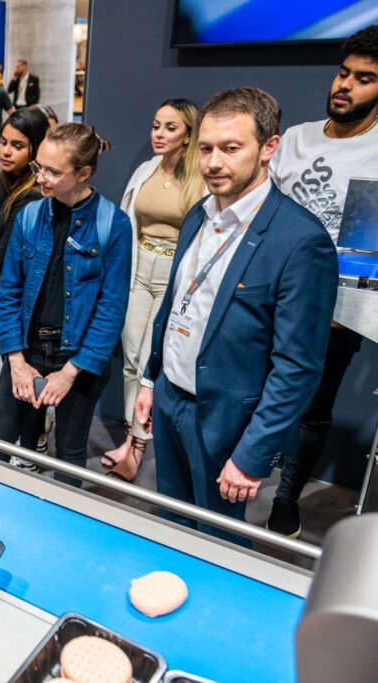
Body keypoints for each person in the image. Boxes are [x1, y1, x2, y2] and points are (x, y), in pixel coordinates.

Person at [134, 87, 338, 542]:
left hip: (228, 422)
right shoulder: (197, 215)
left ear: (269, 147)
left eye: (230, 148)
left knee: (220, 546)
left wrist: (254, 453)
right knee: (174, 530)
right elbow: (175, 303)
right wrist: (152, 379)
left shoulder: (300, 241)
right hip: (171, 403)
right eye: (205, 148)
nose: (213, 162)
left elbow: (298, 368)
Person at [266, 25, 378, 537]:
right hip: (266, 292)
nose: (346, 86)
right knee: (249, 389)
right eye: (344, 73)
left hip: (331, 307)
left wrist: (341, 309)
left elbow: (367, 242)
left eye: (364, 79)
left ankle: (286, 501)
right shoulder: (294, 139)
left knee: (313, 409)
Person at [0, 124, 131, 486]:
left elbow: (111, 309)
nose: (40, 179)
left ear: (84, 173)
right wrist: (16, 361)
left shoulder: (114, 224)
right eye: (38, 167)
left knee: (69, 452)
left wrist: (71, 372)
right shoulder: (30, 216)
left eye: (53, 171)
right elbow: (9, 292)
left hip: (78, 360)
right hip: (27, 350)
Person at [102, 98, 205, 482]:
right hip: (139, 268)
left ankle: (136, 446)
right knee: (130, 357)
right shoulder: (146, 170)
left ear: (188, 135)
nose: (159, 134)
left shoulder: (199, 179)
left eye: (170, 128)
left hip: (173, 276)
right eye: (155, 125)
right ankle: (134, 437)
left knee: (149, 359)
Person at [0, 108, 51, 296]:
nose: (6, 152)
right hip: (5, 290)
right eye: (3, 142)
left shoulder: (33, 195)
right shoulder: (2, 181)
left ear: (36, 149)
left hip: (22, 296)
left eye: (17, 146)